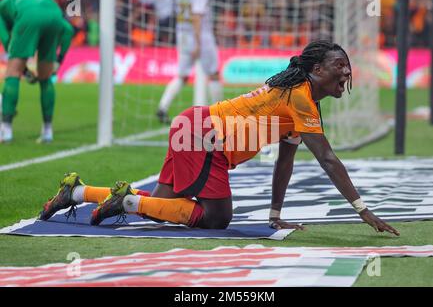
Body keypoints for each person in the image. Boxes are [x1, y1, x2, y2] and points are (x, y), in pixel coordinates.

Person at [39, 40, 400, 236]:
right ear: (317, 69)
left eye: (347, 65)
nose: (347, 71)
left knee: (167, 206)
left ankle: (77, 193)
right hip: (206, 137)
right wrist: (362, 210)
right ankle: (127, 203)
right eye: (340, 66)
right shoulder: (301, 96)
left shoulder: (302, 102)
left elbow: (285, 161)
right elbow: (329, 160)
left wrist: (275, 214)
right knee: (217, 218)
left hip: (193, 124)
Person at [0, 0, 74, 143]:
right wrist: (59, 60)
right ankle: (47, 131)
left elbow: (7, 42)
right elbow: (68, 30)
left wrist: (22, 69)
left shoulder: (2, 8)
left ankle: (5, 131)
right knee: (46, 78)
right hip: (54, 14)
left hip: (29, 16)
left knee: (12, 74)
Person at [156, 0, 223, 124]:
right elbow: (196, 16)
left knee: (182, 76)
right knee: (213, 74)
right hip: (201, 37)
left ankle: (162, 107)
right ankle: (220, 113)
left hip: (183, 35)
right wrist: (198, 43)